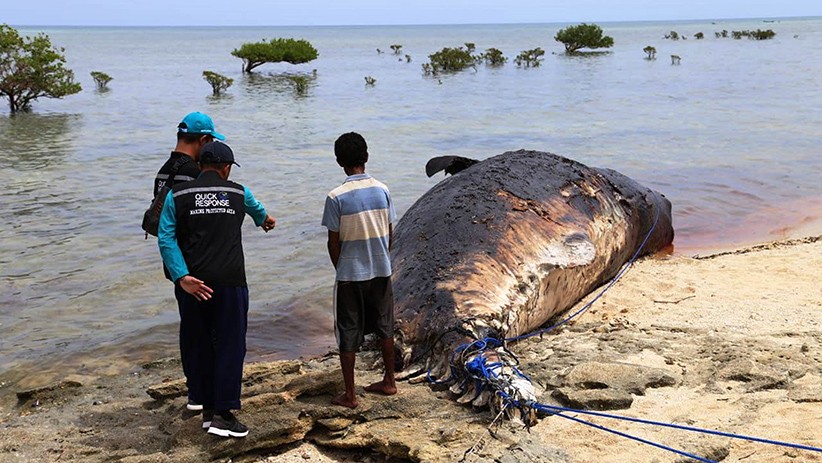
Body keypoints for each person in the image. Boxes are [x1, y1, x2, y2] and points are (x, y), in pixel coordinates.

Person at [158, 141, 276, 437]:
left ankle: (205, 404)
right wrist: (265, 220)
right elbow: (259, 212)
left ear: (200, 167)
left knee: (198, 342)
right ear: (226, 169)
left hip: (193, 284)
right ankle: (223, 414)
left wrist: (182, 277)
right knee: (230, 344)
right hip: (230, 281)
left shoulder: (177, 194)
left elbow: (166, 238)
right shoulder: (238, 191)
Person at [152, 111, 224, 412]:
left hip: (176, 265)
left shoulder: (163, 172)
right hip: (199, 265)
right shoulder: (194, 174)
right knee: (212, 329)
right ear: (204, 140)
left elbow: (166, 227)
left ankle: (195, 390)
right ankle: (208, 394)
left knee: (191, 326)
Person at [321, 132, 398, 409]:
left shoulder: (335, 197)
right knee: (384, 326)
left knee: (348, 331)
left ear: (339, 161)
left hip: (350, 274)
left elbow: (333, 242)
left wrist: (341, 269)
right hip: (381, 268)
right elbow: (389, 232)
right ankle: (389, 381)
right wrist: (382, 258)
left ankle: (350, 394)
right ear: (366, 157)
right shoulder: (383, 189)